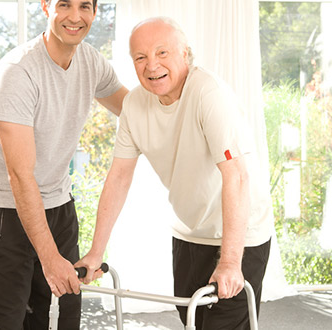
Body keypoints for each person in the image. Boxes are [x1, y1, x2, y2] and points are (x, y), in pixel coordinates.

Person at [76, 17, 274, 329]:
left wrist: (231, 262)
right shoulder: (134, 107)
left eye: (162, 53)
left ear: (185, 54)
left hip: (240, 233)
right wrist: (95, 253)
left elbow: (236, 175)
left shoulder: (208, 94)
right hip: (190, 230)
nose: (151, 65)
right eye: (140, 57)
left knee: (223, 324)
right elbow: (119, 177)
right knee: (191, 319)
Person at [0, 0, 128, 330]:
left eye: (85, 7)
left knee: (64, 313)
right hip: (7, 207)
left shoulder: (90, 61)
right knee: (8, 319)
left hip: (58, 202)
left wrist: (181, 110)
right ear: (46, 7)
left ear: (94, 12)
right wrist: (48, 255)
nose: (76, 17)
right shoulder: (18, 72)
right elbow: (19, 175)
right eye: (65, 5)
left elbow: (134, 110)